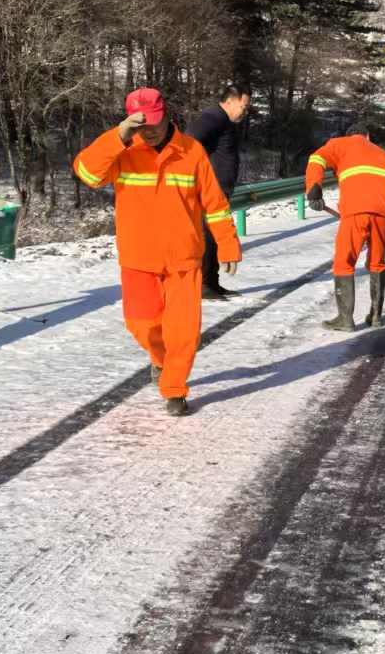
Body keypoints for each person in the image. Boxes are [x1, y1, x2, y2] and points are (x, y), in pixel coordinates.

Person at [73, 87, 241, 417]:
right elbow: (88, 174)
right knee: (142, 323)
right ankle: (161, 360)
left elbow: (215, 204)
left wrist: (228, 243)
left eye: (153, 122)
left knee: (183, 329)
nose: (148, 130)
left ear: (166, 114)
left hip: (184, 257)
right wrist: (117, 136)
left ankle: (175, 388)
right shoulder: (123, 150)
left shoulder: (191, 151)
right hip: (139, 257)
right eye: (140, 124)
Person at [305, 132, 385, 331]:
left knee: (344, 261)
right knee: (377, 262)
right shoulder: (384, 153)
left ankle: (345, 319)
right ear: (368, 137)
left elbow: (316, 158)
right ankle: (375, 316)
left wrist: (314, 188)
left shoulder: (340, 143)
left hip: (357, 206)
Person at [187, 81, 251, 301]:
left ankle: (212, 283)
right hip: (208, 190)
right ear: (231, 101)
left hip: (218, 189)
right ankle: (203, 284)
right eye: (243, 107)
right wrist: (200, 172)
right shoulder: (213, 117)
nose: (245, 111)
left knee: (213, 236)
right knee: (207, 236)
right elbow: (190, 140)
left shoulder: (222, 121)